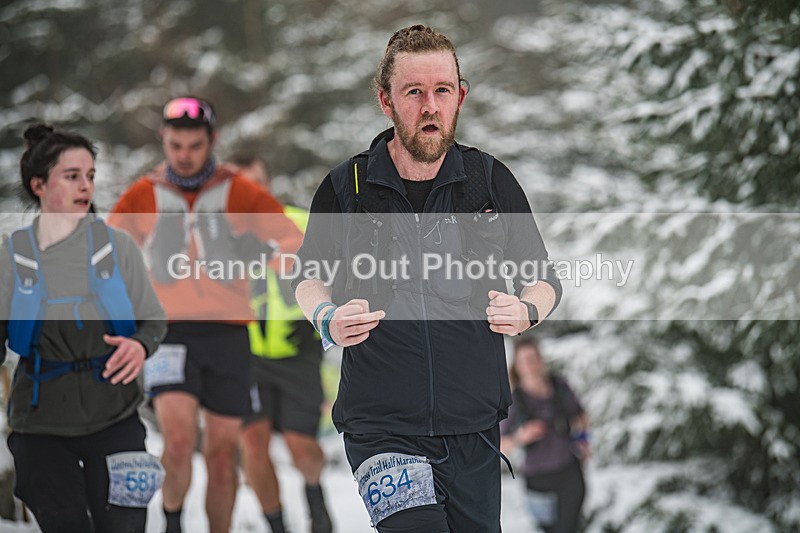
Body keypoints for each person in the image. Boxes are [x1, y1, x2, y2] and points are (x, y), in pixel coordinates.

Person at [292, 25, 563, 532]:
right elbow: (307, 276)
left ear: (460, 95)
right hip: (381, 426)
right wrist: (326, 316)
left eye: (441, 90)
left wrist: (527, 309)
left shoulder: (488, 180)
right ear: (386, 101)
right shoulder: (347, 186)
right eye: (413, 91)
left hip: (475, 429)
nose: (430, 105)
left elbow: (544, 277)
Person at [109, 98, 303, 533]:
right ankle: (173, 524)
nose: (184, 154)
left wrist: (263, 255)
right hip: (168, 331)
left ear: (211, 141)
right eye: (175, 144)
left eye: (194, 145)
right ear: (164, 140)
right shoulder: (146, 192)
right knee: (177, 443)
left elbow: (291, 244)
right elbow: (109, 251)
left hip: (229, 333)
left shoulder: (237, 190)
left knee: (220, 455)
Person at [0, 123, 167, 532]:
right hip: (39, 427)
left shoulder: (117, 246)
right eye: (72, 176)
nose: (85, 186)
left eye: (90, 176)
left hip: (116, 418)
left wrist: (140, 346)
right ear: (38, 184)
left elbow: (153, 318)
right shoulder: (13, 256)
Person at [231, 153, 334, 533]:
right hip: (248, 356)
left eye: (256, 182)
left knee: (300, 447)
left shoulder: (300, 223)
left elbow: (334, 275)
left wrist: (314, 325)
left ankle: (315, 496)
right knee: (253, 444)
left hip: (297, 352)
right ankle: (276, 525)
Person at [500, 337, 589, 533]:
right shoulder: (514, 401)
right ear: (517, 367)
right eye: (524, 360)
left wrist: (583, 440)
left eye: (533, 358)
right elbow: (500, 445)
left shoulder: (560, 386)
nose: (530, 365)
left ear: (541, 360)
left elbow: (581, 416)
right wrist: (521, 436)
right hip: (538, 479)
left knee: (571, 527)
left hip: (569, 471)